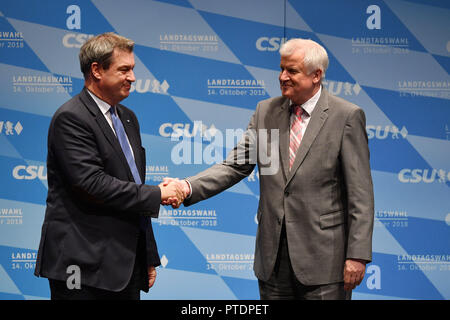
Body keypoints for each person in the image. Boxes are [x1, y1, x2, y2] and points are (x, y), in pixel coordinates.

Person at [165, 38, 374, 300]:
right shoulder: (266, 111)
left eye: (292, 71)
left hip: (325, 261)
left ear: (317, 75)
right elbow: (235, 165)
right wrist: (186, 187)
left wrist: (357, 255)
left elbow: (361, 194)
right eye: (281, 69)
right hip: (272, 260)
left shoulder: (346, 116)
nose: (282, 76)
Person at [34, 32, 184, 300]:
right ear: (96, 70)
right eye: (124, 69)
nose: (133, 78)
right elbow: (92, 184)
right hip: (80, 269)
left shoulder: (128, 118)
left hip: (123, 267)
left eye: (133, 69)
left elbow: (132, 187)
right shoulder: (71, 118)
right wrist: (157, 194)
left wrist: (147, 255)